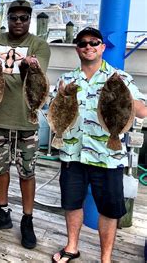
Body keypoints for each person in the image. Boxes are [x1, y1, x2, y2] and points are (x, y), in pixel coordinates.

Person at [51, 27, 147, 263]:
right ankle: (72, 247)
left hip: (108, 154)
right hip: (72, 153)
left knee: (109, 208)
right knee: (72, 203)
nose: (89, 47)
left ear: (102, 47)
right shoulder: (66, 80)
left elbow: (143, 111)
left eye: (94, 42)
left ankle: (106, 258)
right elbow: (53, 113)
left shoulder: (120, 78)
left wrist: (124, 96)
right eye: (83, 43)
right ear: (77, 49)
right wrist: (59, 98)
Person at [0, 0, 51, 249]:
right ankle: (2, 212)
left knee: (27, 173)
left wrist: (31, 66)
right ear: (7, 19)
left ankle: (27, 220)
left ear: (30, 20)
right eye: (14, 17)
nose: (18, 22)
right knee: (0, 169)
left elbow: (38, 81)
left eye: (24, 18)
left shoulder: (39, 45)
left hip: (26, 120)